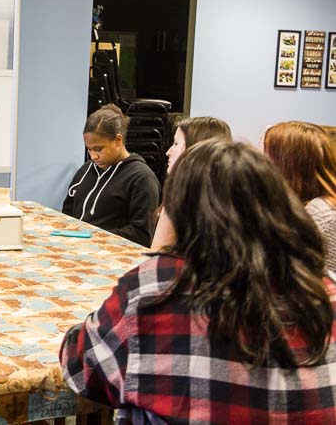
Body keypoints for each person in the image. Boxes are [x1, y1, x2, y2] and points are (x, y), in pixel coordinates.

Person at [61, 140, 336, 423]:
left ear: (179, 211)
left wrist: (162, 249)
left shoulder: (159, 285)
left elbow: (81, 369)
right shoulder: (325, 288)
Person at [62, 104, 160, 247]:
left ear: (118, 141)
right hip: (76, 248)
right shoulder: (86, 170)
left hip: (111, 256)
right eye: (89, 149)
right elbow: (67, 213)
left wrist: (94, 236)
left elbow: (142, 234)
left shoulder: (141, 178)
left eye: (98, 149)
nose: (93, 156)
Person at [264, 121, 336, 271]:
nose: (261, 163)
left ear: (288, 163)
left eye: (266, 155)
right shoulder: (306, 207)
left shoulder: (322, 214)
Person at [151, 116, 231, 250]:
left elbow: (157, 260)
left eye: (176, 144)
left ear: (193, 149)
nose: (168, 152)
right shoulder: (226, 202)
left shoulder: (179, 199)